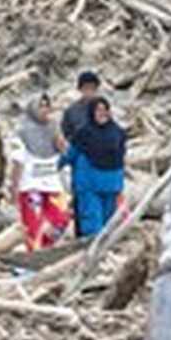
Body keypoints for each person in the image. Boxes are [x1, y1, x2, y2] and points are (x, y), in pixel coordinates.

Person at [10, 94, 71, 250]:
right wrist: (14, 188)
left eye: (47, 105)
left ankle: (47, 246)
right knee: (33, 226)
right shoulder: (22, 131)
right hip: (31, 185)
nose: (45, 110)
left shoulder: (53, 127)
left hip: (53, 183)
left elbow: (65, 152)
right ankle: (34, 256)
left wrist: (58, 136)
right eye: (41, 106)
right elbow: (17, 163)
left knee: (61, 219)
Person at [59, 97, 127, 238]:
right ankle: (92, 252)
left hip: (111, 186)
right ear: (91, 113)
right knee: (92, 223)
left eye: (105, 110)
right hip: (89, 186)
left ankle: (104, 252)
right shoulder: (83, 134)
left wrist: (120, 186)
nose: (102, 113)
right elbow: (70, 154)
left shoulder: (118, 133)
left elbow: (121, 159)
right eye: (98, 110)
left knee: (109, 224)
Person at [61, 71, 101, 146]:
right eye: (86, 88)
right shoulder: (71, 111)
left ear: (96, 89)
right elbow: (66, 133)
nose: (89, 92)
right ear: (80, 89)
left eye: (92, 88)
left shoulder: (103, 108)